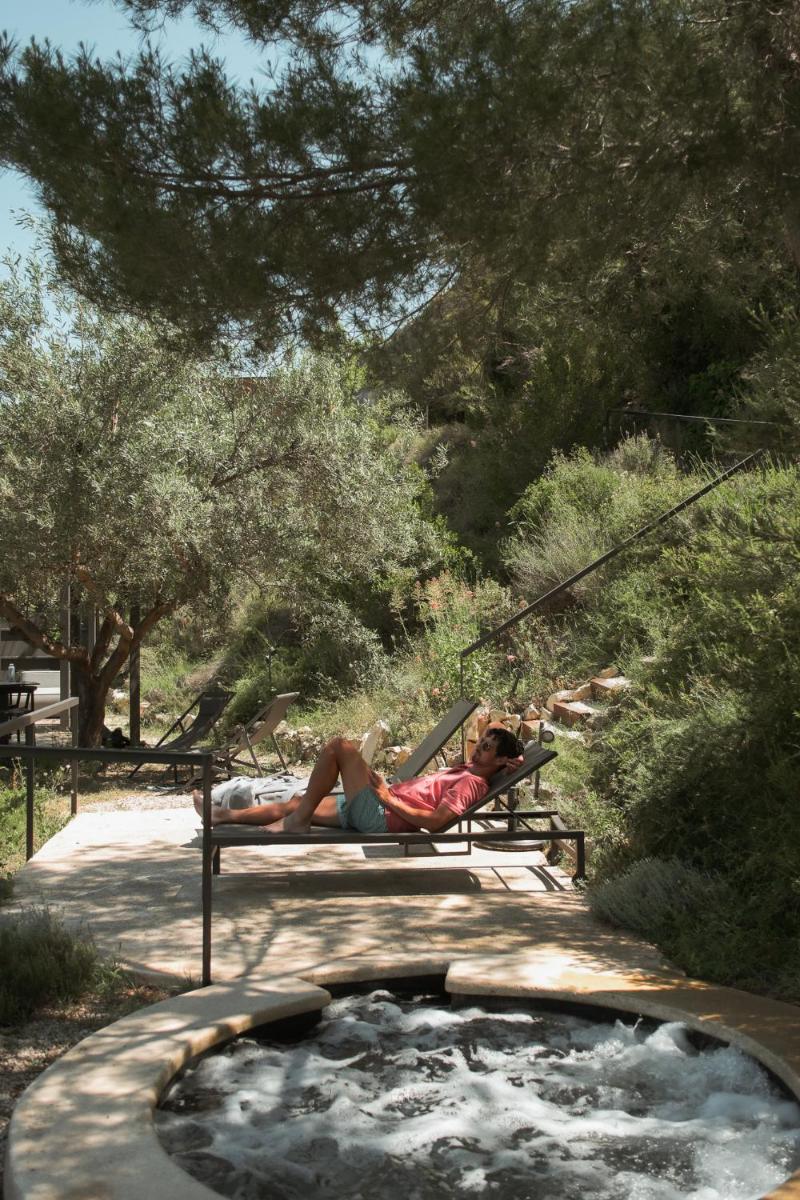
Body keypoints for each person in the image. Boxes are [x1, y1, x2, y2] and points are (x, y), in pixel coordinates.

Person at [193, 725, 523, 833]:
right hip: (381, 804)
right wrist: (513, 760)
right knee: (298, 802)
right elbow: (503, 750)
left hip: (383, 814)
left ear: (498, 759)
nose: (478, 750)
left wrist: (389, 798)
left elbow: (437, 823)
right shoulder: (468, 770)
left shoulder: (471, 783)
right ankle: (221, 815)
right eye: (480, 742)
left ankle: (297, 822)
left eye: (487, 748)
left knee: (339, 747)